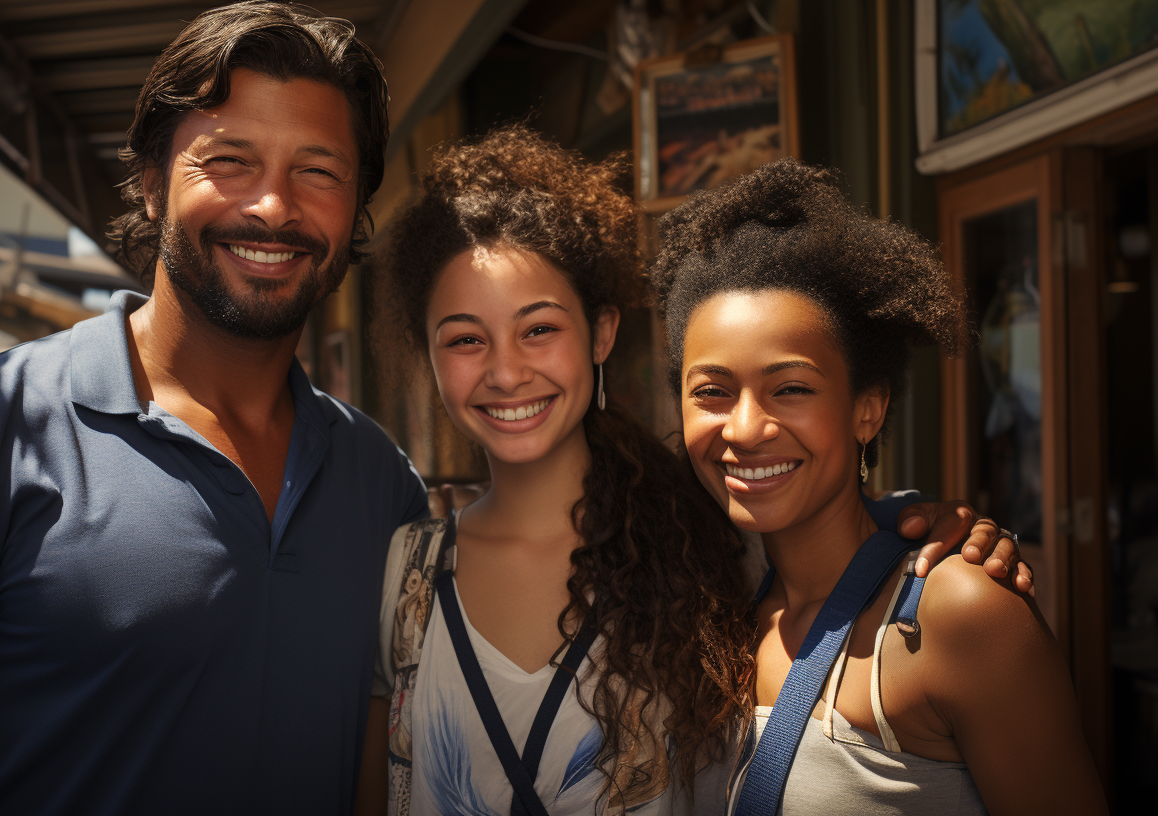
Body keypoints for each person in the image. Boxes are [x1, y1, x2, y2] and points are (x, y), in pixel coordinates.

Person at [0, 5, 426, 814]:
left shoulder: (383, 486)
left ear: (355, 210)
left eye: (319, 170)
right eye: (230, 159)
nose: (273, 206)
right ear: (153, 186)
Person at [362, 128, 1031, 816]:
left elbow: (824, 528)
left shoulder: (703, 541)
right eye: (466, 339)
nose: (505, 371)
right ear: (429, 358)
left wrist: (917, 525)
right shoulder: (405, 573)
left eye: (538, 329)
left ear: (601, 333)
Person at [651, 158, 1107, 815]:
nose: (745, 428)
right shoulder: (710, 597)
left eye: (792, 389)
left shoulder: (957, 614)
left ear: (868, 407)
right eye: (713, 392)